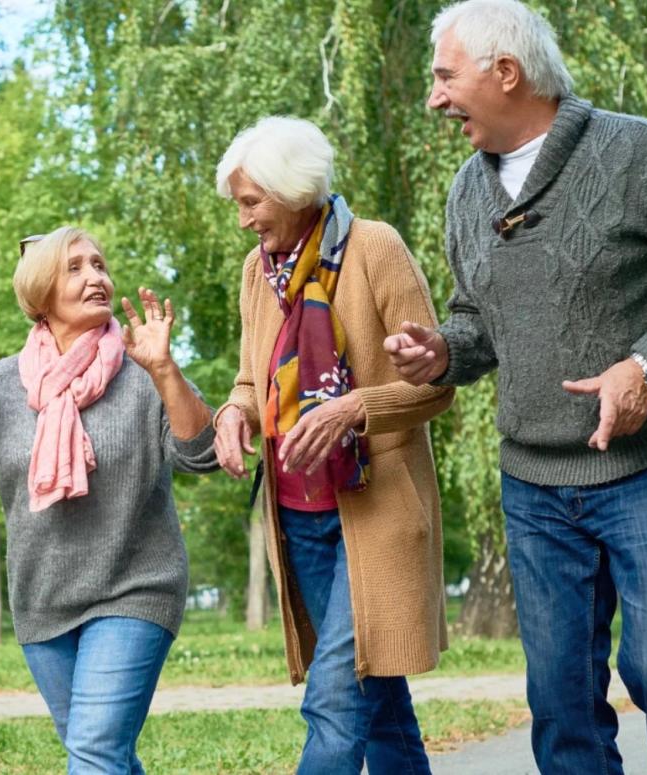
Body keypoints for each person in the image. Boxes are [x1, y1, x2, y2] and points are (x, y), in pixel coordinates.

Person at [385, 1, 647, 772]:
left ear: (506, 72)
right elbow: (478, 323)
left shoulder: (639, 153)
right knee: (561, 702)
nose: (434, 99)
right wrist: (441, 352)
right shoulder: (467, 191)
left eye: (444, 78)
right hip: (534, 483)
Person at [0, 226, 217, 774]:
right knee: (106, 754)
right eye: (75, 268)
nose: (97, 277)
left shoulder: (141, 369)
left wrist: (166, 370)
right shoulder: (1, 385)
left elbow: (202, 455)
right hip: (44, 601)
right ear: (40, 292)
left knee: (95, 752)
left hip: (135, 588)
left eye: (100, 265)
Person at [212, 116, 454, 774]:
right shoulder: (255, 272)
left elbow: (438, 383)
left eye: (250, 202)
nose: (243, 221)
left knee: (335, 701)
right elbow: (247, 377)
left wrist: (354, 408)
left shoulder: (375, 248)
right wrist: (234, 413)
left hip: (373, 511)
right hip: (300, 518)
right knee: (378, 697)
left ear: (293, 191)